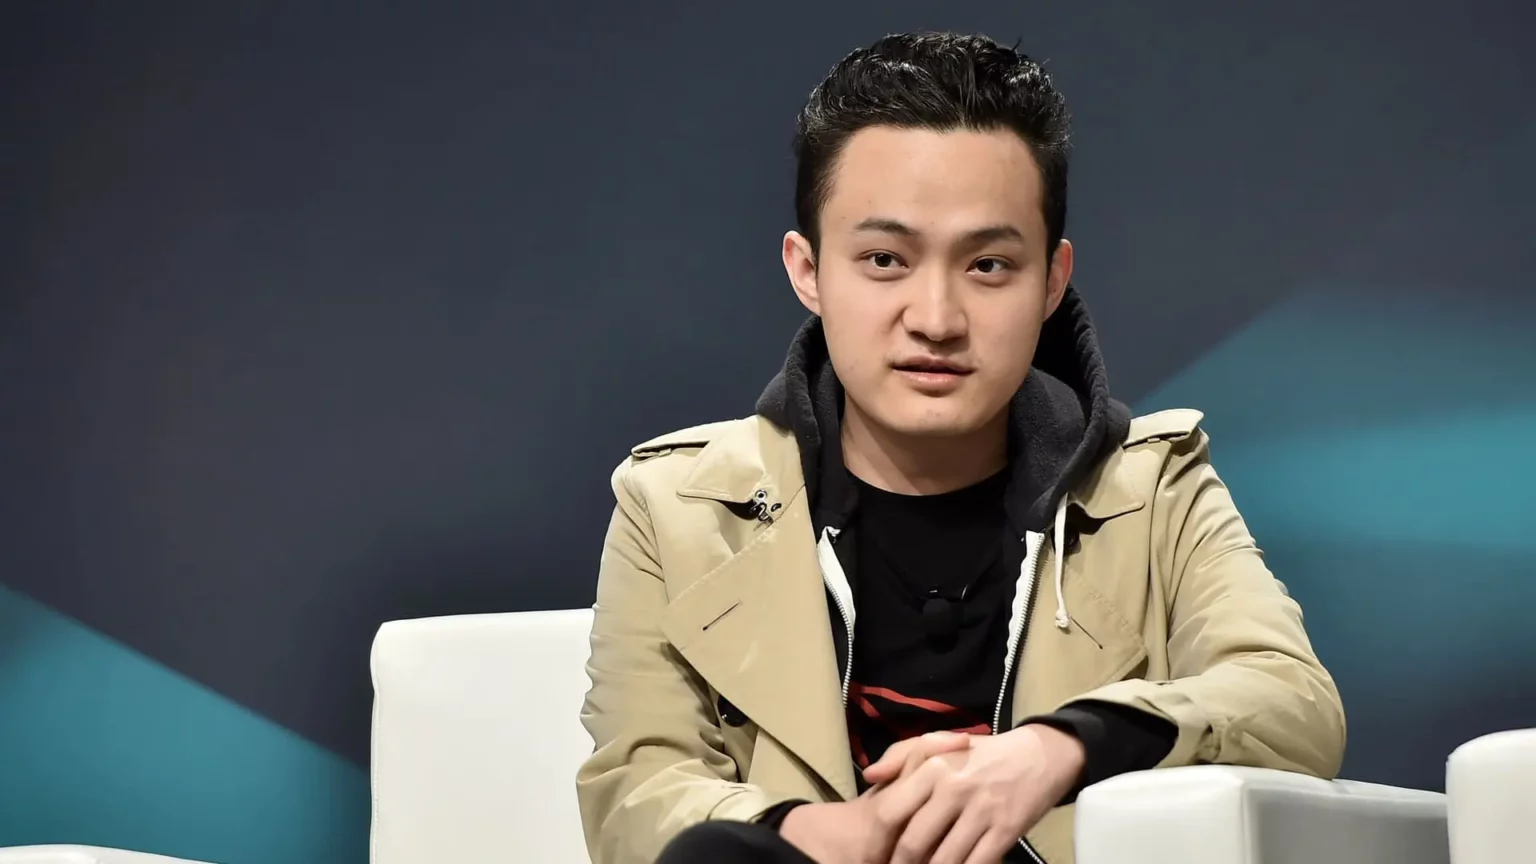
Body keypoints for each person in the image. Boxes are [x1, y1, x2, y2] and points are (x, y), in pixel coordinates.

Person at [576, 31, 1345, 864]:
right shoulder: (677, 505)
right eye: (884, 260)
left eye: (987, 266)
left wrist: (1059, 750)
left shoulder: (1153, 489)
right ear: (808, 270)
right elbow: (637, 793)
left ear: (1052, 280)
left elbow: (1292, 704)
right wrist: (848, 837)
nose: (936, 319)